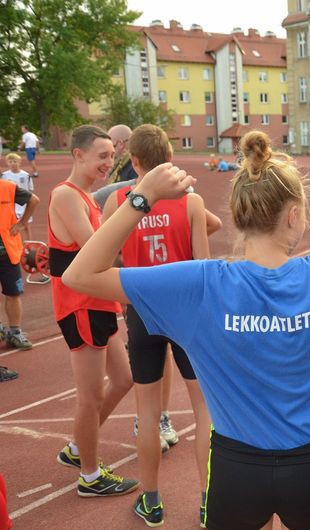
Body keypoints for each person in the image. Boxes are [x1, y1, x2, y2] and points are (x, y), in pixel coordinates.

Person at [62, 132, 310, 529]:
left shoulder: (200, 285)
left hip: (236, 469)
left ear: (238, 215)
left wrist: (142, 197)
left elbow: (80, 274)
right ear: (294, 215)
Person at [101, 124, 212, 526]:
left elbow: (106, 259)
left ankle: (150, 500)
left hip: (142, 309)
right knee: (205, 411)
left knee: (147, 414)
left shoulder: (118, 202)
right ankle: (208, 499)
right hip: (186, 312)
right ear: (170, 157)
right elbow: (203, 266)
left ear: (134, 162)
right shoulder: (192, 202)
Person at [48, 124, 138, 497]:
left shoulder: (87, 198)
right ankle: (89, 475)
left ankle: (77, 448)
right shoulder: (65, 196)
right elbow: (94, 247)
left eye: (112, 156)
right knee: (91, 395)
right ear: (78, 154)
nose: (108, 162)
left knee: (123, 379)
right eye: (102, 156)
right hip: (80, 305)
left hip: (99, 303)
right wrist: (137, 204)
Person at [0, 174, 38, 350]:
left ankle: (15, 332)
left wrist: (22, 224)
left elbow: (34, 200)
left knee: (13, 293)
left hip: (7, 252)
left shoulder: (8, 187)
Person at [2, 153, 35, 241]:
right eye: (10, 161)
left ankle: (29, 245)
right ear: (7, 163)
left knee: (26, 225)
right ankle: (19, 245)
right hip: (12, 205)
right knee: (13, 226)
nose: (13, 163)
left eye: (15, 161)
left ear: (19, 162)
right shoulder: (4, 175)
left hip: (24, 204)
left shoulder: (26, 175)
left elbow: (30, 189)